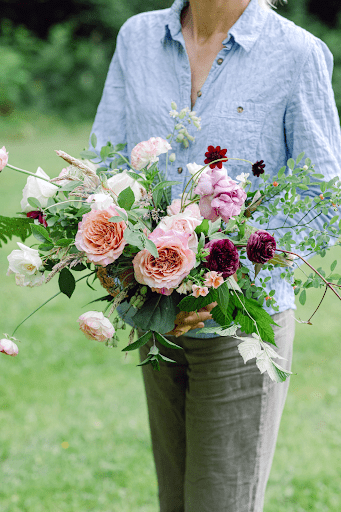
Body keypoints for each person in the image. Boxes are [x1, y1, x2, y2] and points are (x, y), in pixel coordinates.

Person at [91, 0, 341, 510]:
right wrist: (113, 262)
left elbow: (325, 200)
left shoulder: (296, 53)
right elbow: (103, 162)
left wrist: (222, 280)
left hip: (242, 325)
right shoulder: (137, 39)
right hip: (153, 313)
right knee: (177, 500)